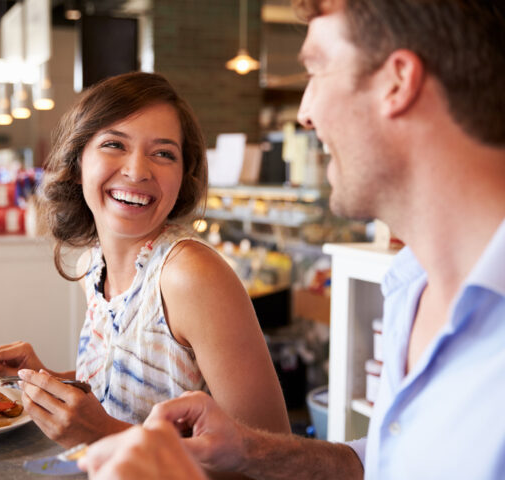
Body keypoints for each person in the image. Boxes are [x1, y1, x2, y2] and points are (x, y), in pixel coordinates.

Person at [79, 0, 505, 478]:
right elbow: (385, 463)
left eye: (316, 69)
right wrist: (250, 451)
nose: (305, 112)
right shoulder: (414, 288)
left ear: (397, 82)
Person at [0, 72, 290, 448]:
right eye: (114, 144)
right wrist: (45, 379)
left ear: (183, 178)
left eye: (163, 153)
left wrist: (103, 433)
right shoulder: (91, 268)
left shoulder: (189, 276)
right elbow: (124, 394)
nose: (137, 170)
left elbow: (269, 456)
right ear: (78, 161)